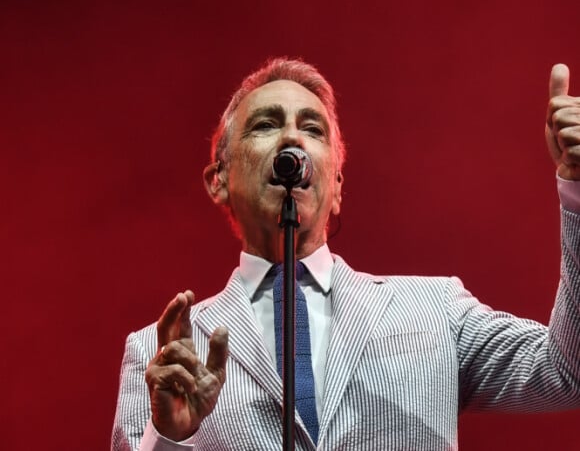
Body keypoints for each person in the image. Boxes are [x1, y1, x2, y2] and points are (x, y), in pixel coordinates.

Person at [112, 57, 580, 451]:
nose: (292, 140)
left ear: (336, 186)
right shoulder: (162, 354)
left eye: (311, 128)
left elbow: (566, 370)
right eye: (266, 124)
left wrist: (576, 189)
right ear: (218, 180)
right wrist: (170, 438)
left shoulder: (436, 309)